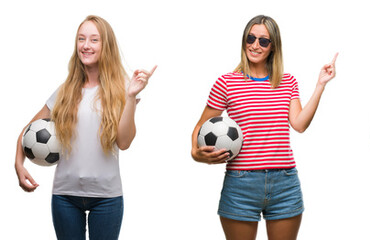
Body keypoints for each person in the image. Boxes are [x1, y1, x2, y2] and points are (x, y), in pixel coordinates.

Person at [189, 15, 338, 239]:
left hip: (285, 182)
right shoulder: (226, 83)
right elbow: (202, 125)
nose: (255, 45)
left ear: (273, 46)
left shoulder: (287, 81)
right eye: (250, 38)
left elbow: (298, 124)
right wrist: (196, 153)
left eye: (263, 41)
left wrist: (320, 86)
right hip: (241, 183)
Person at [13, 15, 155, 240]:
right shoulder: (65, 90)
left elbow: (124, 142)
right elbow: (29, 129)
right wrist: (18, 164)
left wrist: (130, 98)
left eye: (94, 40)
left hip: (107, 197)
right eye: (81, 39)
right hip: (65, 196)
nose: (86, 45)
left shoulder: (123, 90)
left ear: (106, 45)